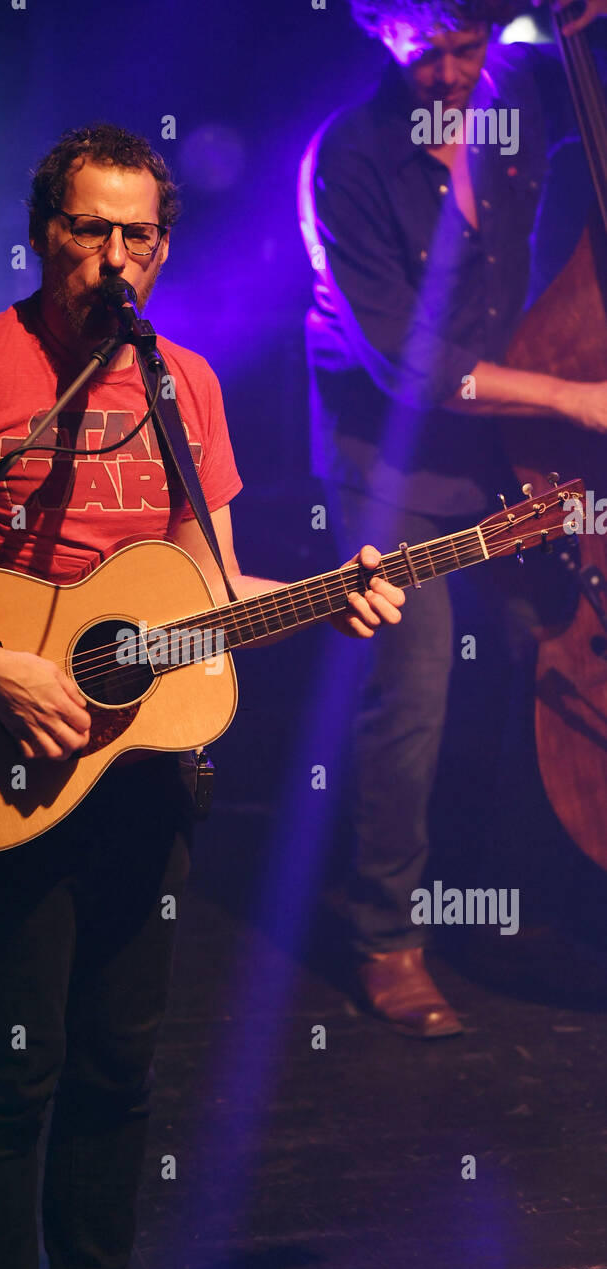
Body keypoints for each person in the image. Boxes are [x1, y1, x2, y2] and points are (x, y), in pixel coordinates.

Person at [0, 123, 405, 1269]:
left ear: (163, 250)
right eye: (89, 229)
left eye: (138, 233)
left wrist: (329, 597)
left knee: (119, 1068)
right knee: (11, 1076)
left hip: (137, 764)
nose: (113, 256)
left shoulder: (187, 387)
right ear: (41, 237)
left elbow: (209, 591)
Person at [299, 0, 607, 1037]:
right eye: (425, 51)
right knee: (416, 684)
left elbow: (554, 42)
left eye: (464, 45)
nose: (449, 71)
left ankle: (495, 905)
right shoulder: (349, 156)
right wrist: (574, 398)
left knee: (535, 668)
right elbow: (412, 369)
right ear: (378, 34)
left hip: (498, 450)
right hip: (385, 458)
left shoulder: (512, 87)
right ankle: (387, 936)